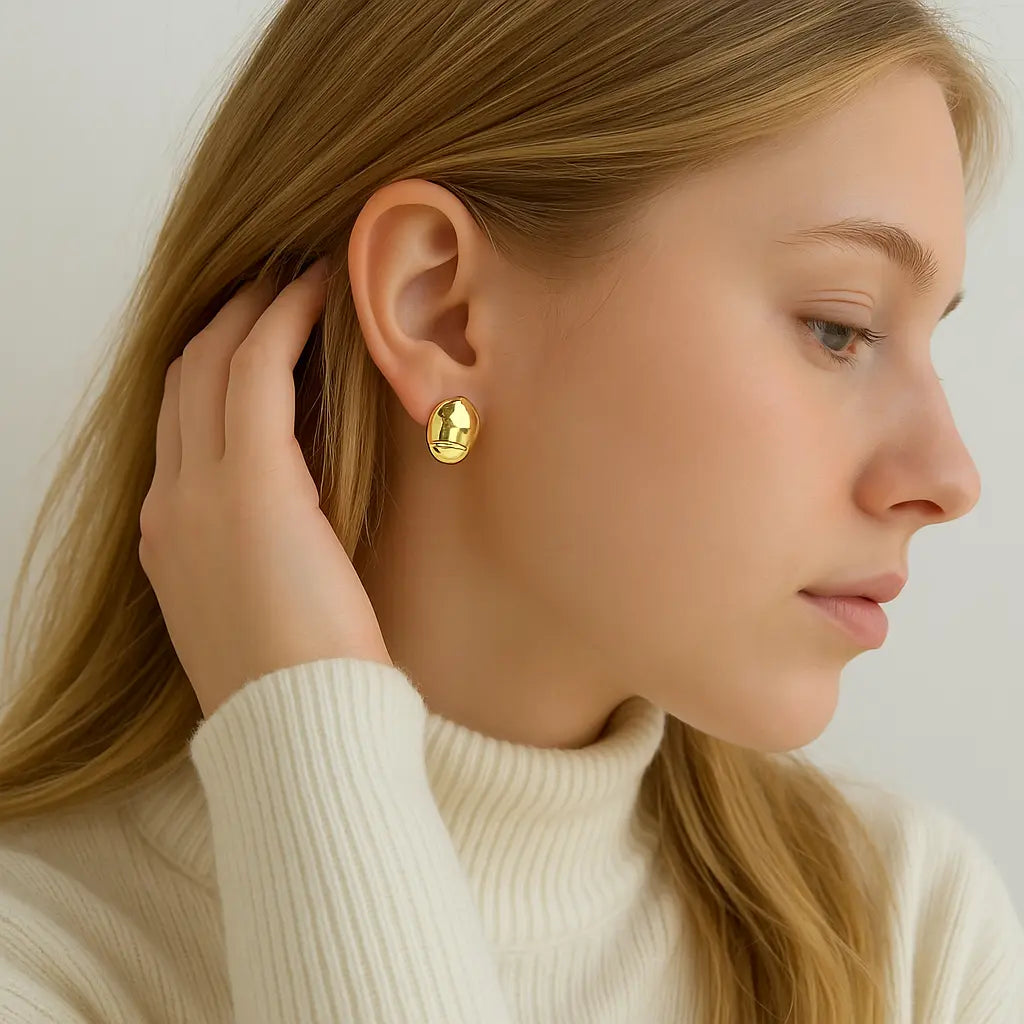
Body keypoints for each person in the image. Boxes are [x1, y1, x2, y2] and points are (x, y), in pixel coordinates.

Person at [0, 0, 1021, 1021]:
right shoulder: (39, 966)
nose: (949, 474)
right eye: (838, 329)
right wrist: (311, 748)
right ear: (439, 309)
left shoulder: (905, 937)